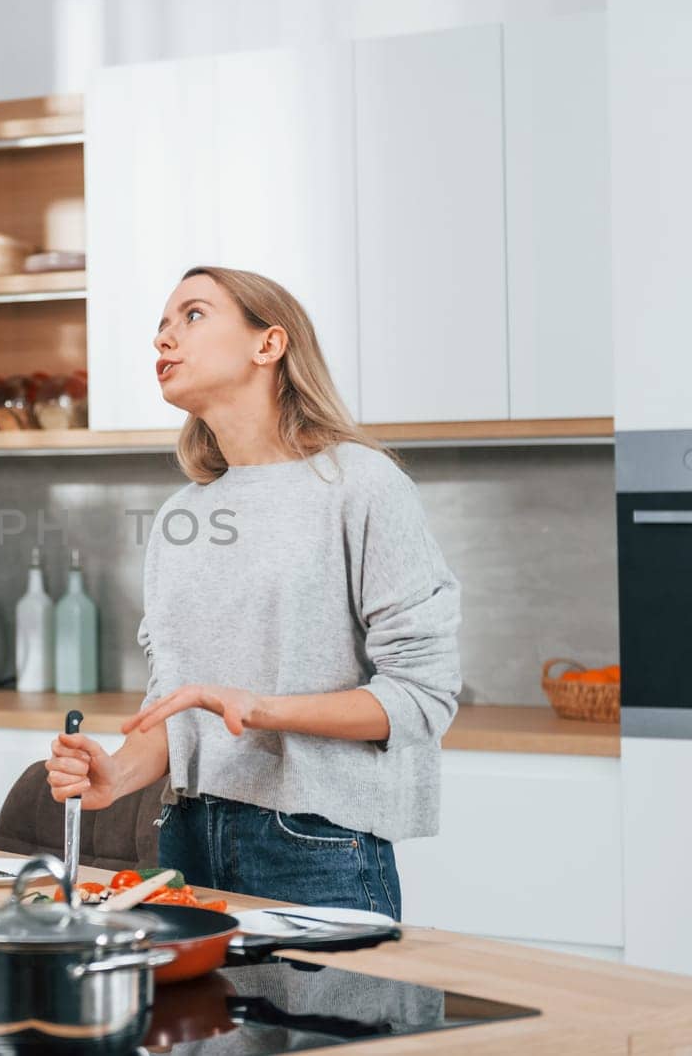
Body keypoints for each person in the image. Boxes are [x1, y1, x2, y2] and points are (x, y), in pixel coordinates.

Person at [45, 266, 461, 918]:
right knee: (202, 1023)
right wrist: (116, 774)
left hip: (315, 840)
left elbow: (422, 695)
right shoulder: (181, 514)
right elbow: (175, 700)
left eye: (193, 315)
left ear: (269, 344)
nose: (164, 339)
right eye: (159, 326)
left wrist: (261, 708)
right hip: (185, 837)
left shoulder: (361, 486)